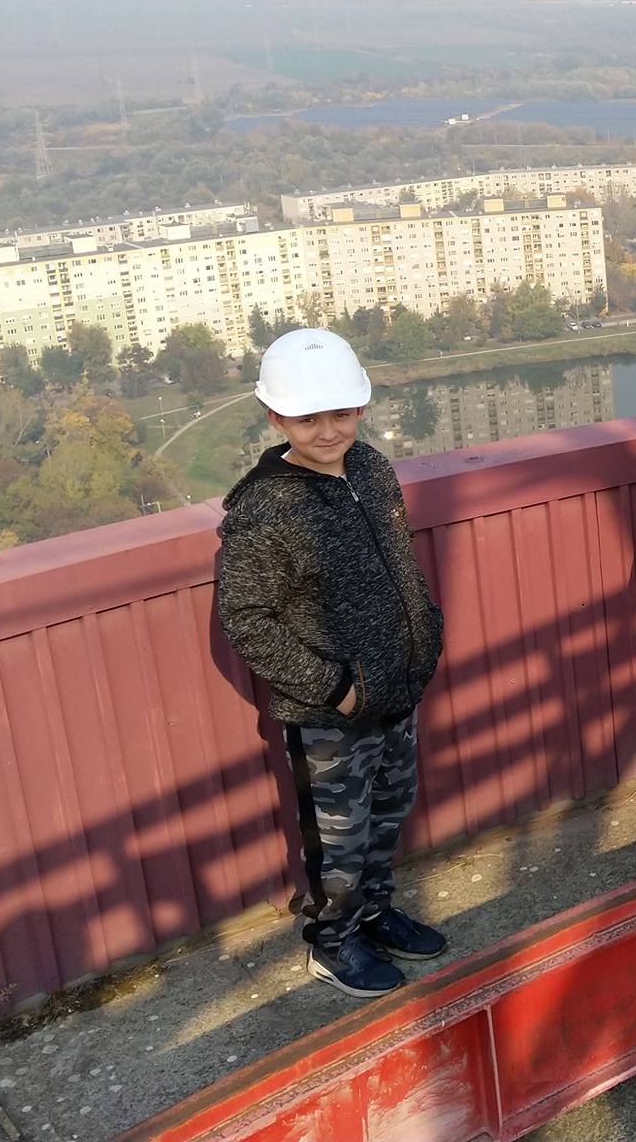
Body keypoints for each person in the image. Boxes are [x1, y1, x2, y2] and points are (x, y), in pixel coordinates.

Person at [217, 328, 448, 999]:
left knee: (388, 816)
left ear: (361, 407)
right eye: (308, 419)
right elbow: (247, 621)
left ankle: (374, 914)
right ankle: (334, 942)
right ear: (276, 418)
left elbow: (400, 559)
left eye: (341, 414)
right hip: (331, 717)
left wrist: (425, 634)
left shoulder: (370, 468)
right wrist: (337, 688)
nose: (328, 431)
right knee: (338, 844)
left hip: (396, 691)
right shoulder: (265, 508)